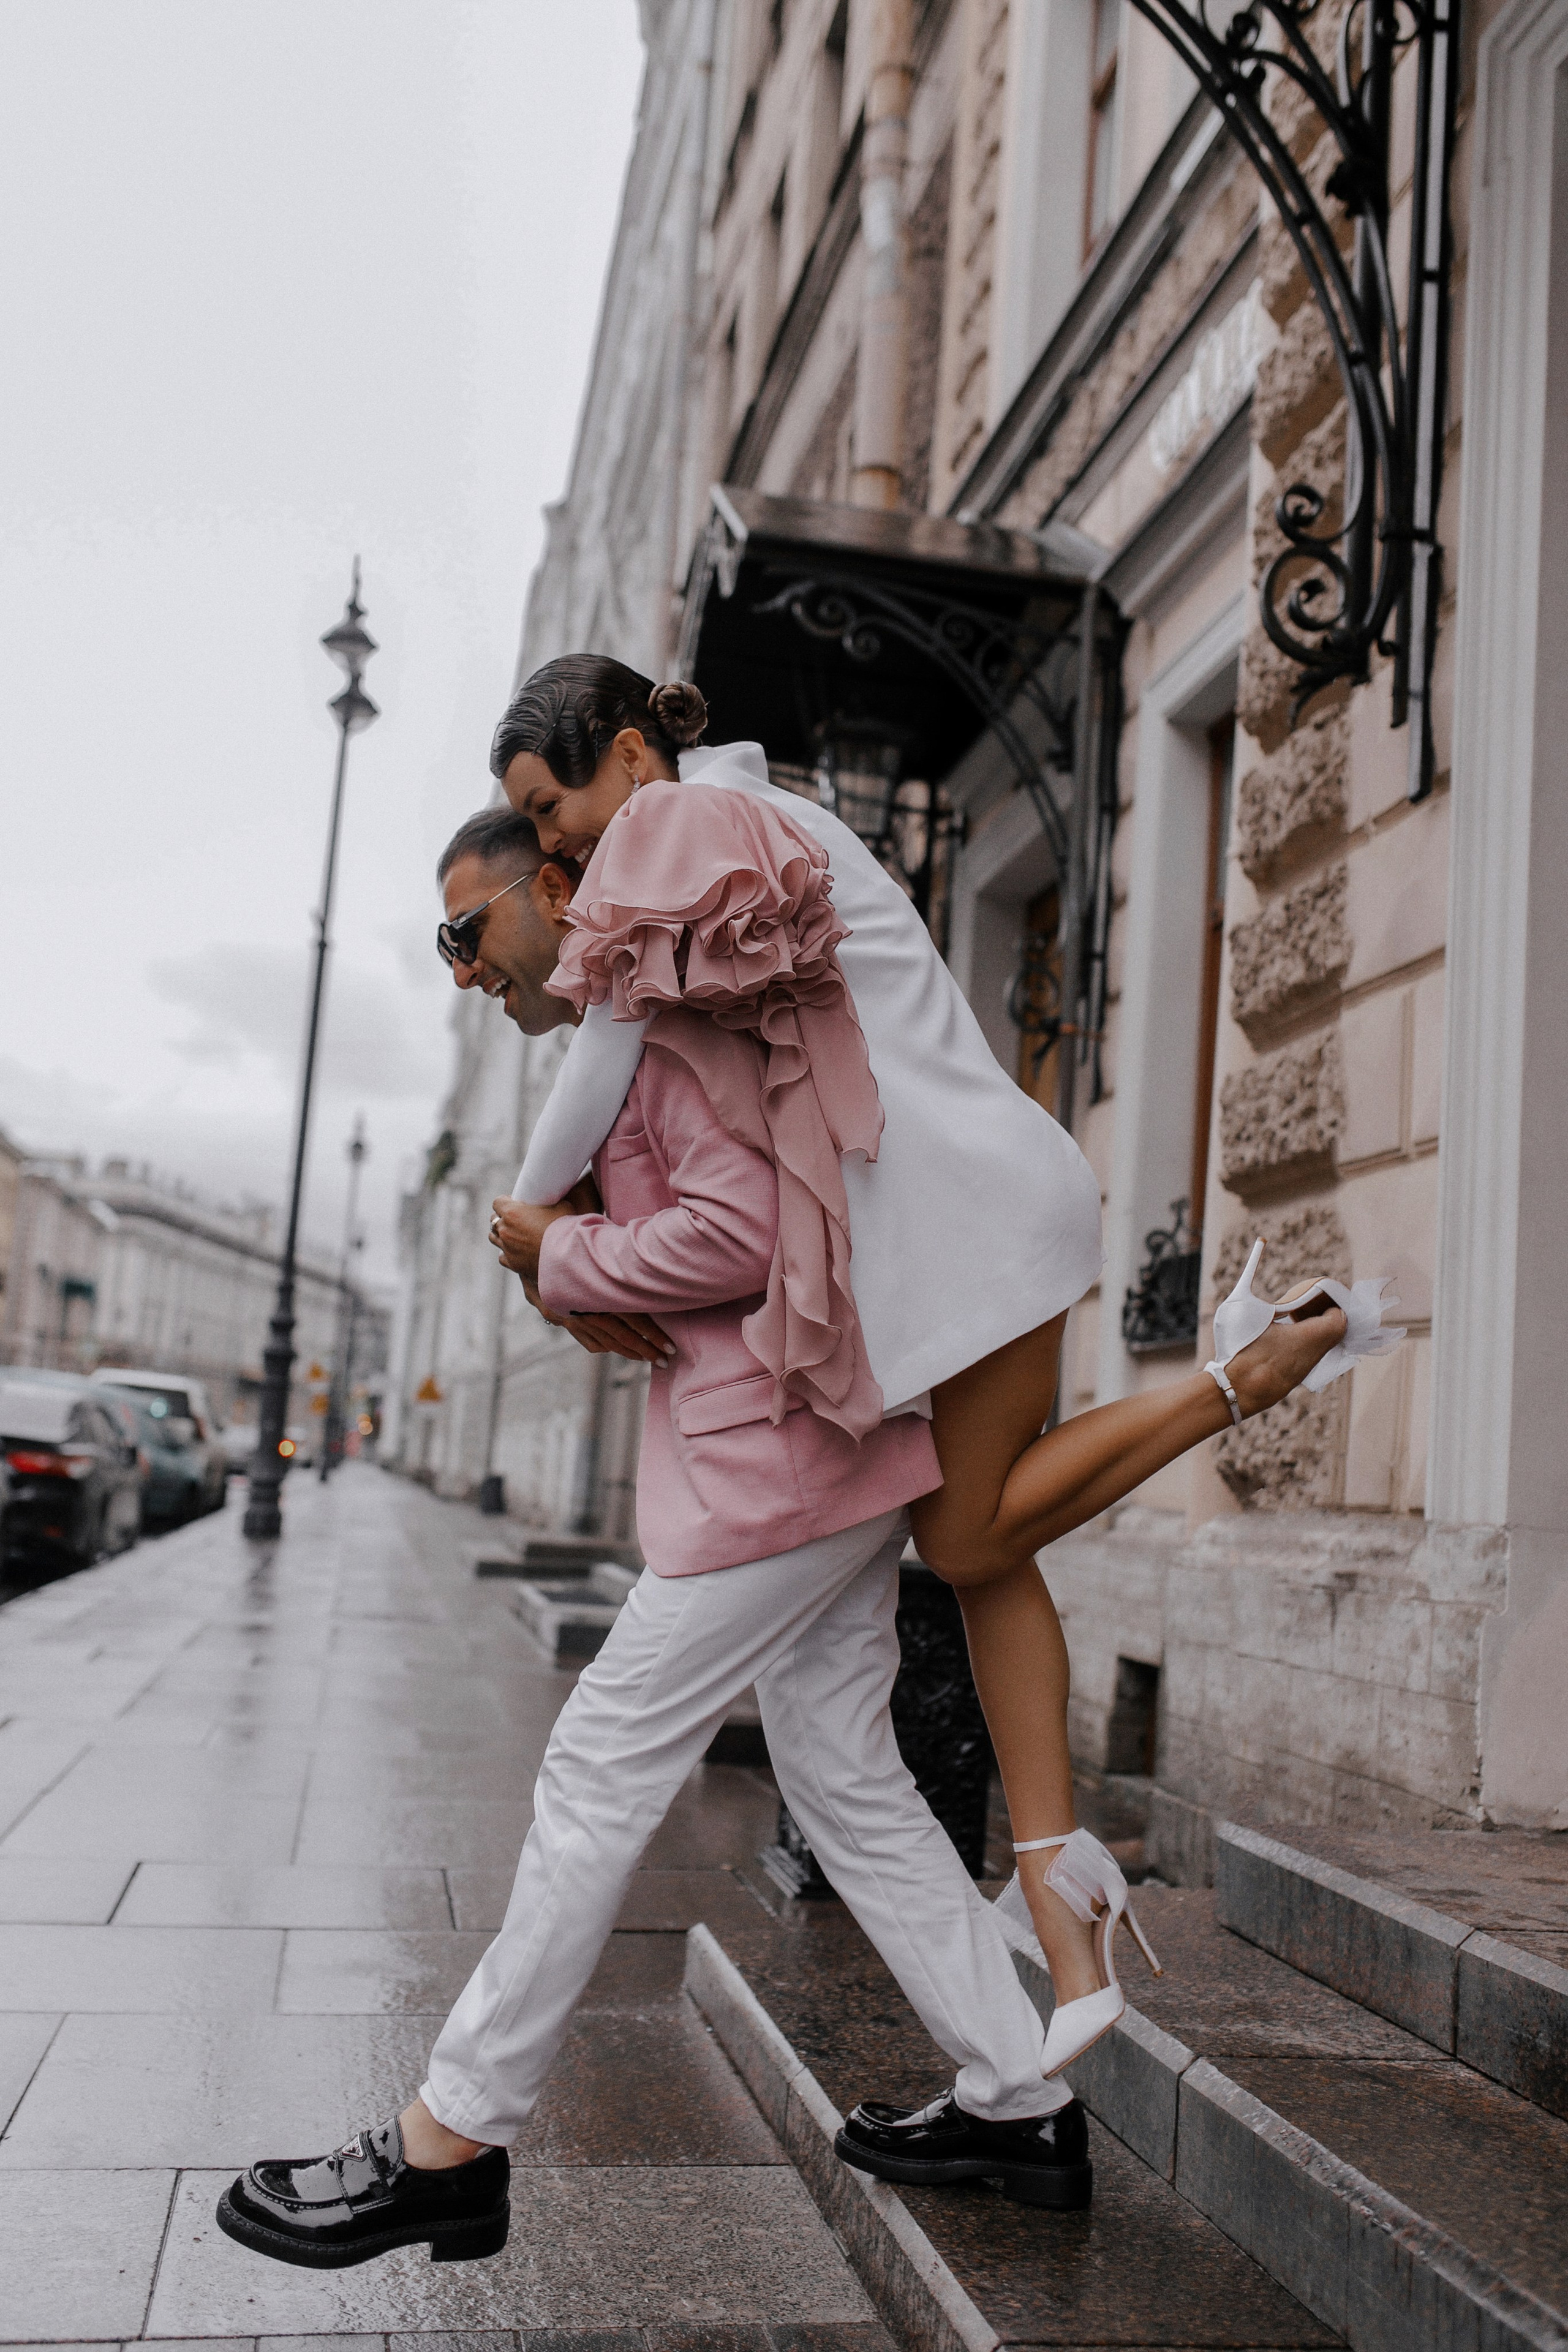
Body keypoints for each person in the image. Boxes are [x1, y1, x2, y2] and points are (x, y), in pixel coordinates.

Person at [216, 805, 1353, 2271]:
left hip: (778, 1468)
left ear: (557, 890)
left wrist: (564, 1254)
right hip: (816, 1448)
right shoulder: (634, 1030)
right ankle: (1014, 2099)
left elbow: (744, 1227)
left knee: (597, 1767)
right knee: (843, 1771)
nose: (459, 969)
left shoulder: (662, 1032)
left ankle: (452, 2138)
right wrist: (576, 1262)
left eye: (466, 931)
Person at [484, 655, 1398, 2067]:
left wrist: (534, 1220)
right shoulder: (739, 825)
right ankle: (1054, 1885)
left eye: (552, 805)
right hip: (970, 1223)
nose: (552, 843)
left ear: (625, 756)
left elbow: (604, 1035)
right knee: (982, 1551)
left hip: (968, 1228)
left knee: (967, 1535)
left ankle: (1229, 1384)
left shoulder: (682, 825)